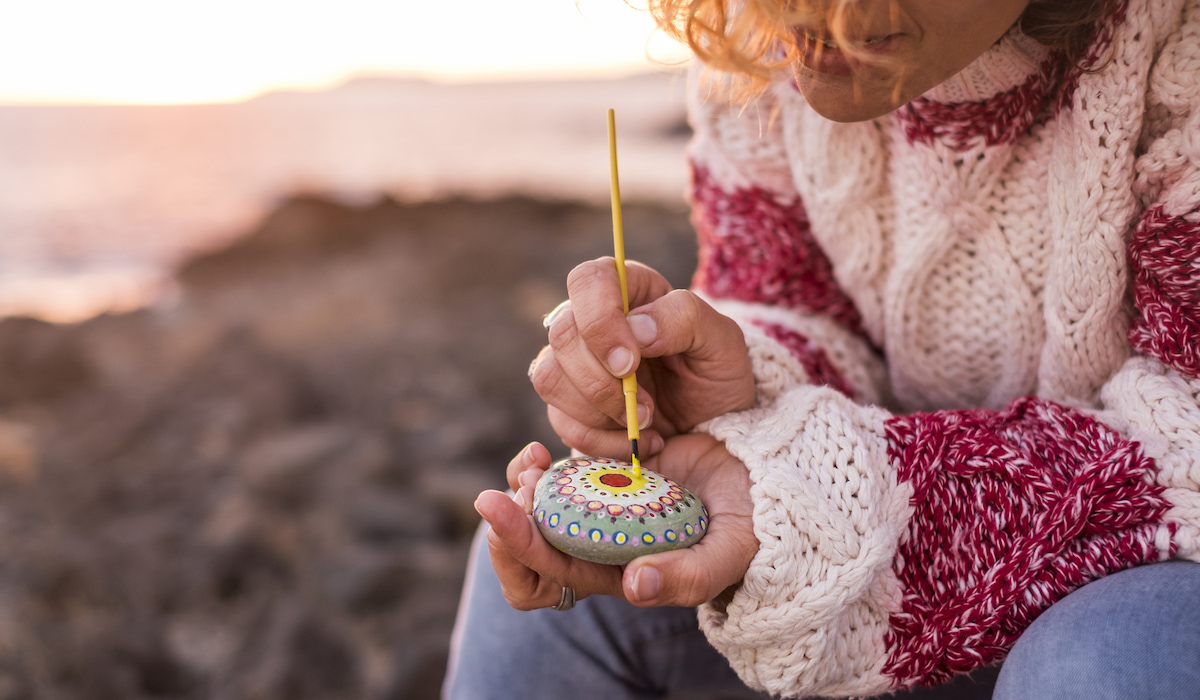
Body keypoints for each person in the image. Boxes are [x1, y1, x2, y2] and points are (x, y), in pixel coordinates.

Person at [444, 0, 1200, 697]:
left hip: (1148, 577)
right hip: (910, 572)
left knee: (1104, 658)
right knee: (555, 587)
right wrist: (736, 384)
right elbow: (794, 303)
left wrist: (809, 494)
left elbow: (1187, 438)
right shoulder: (764, 44)